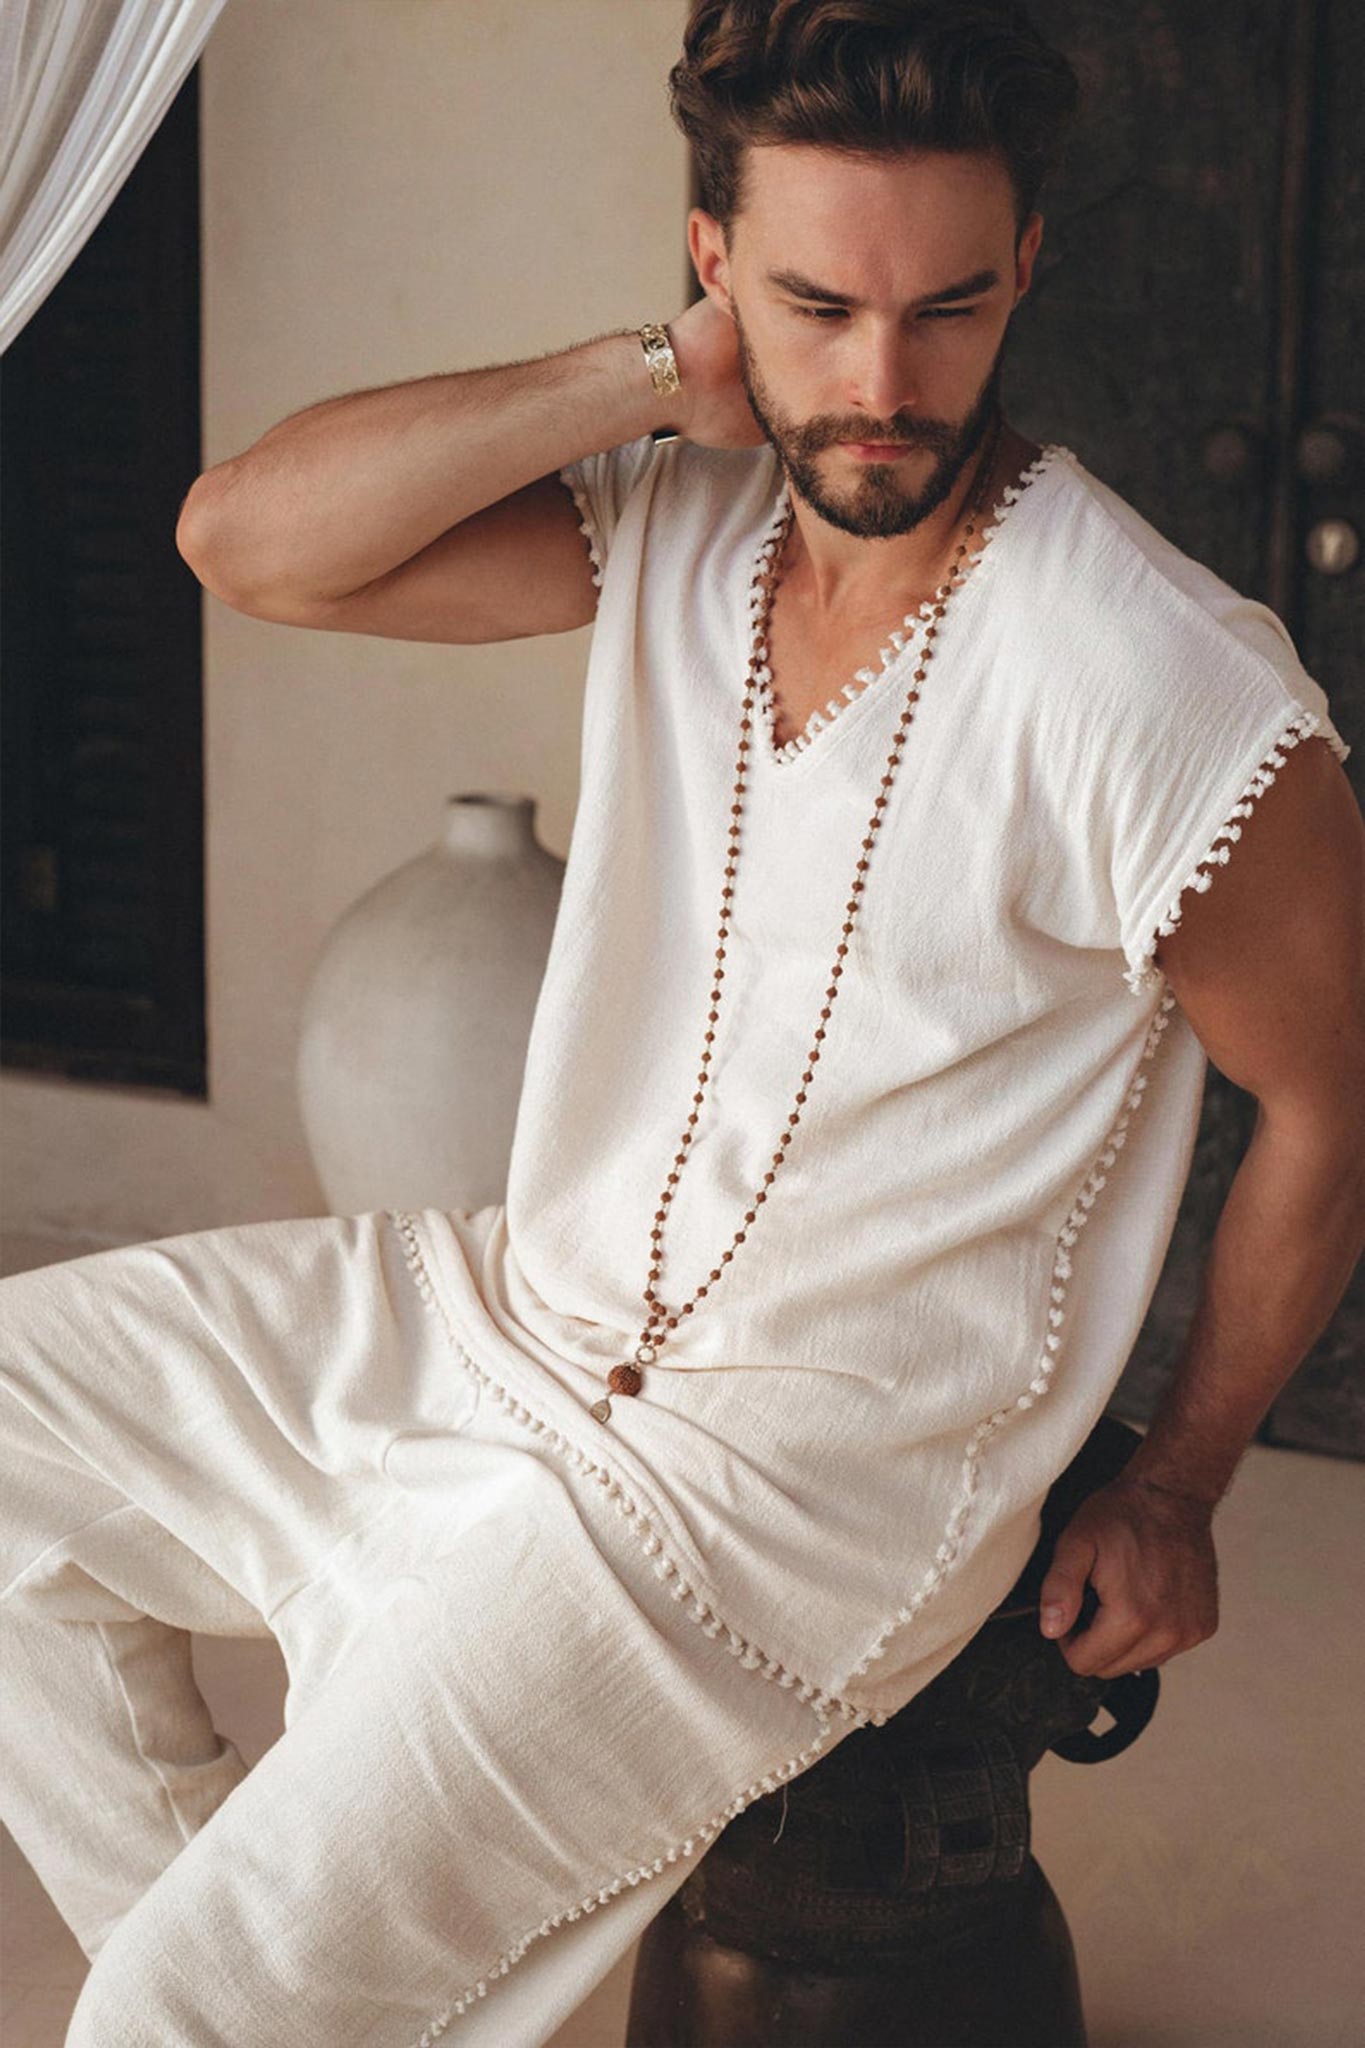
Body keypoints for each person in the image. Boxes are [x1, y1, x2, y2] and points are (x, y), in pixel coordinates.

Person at [4, 2, 1363, 2042]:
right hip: (507, 1321)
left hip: (779, 1496)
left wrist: (1174, 1482)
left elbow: (1328, 1097)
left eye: (950, 308)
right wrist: (646, 380)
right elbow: (240, 540)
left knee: (168, 2019)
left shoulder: (1155, 678)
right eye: (815, 303)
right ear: (711, 259)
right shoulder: (674, 518)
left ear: (1027, 269)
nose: (884, 388)